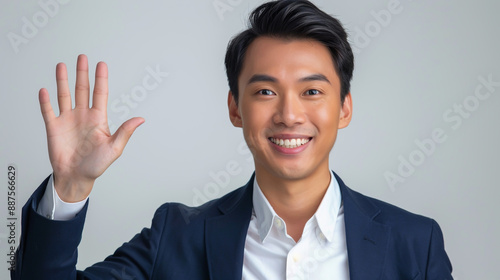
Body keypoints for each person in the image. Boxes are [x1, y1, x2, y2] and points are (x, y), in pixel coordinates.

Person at [12, 0, 453, 279]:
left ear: (344, 108)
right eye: (265, 91)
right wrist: (70, 187)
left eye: (312, 91)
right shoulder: (178, 235)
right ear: (235, 109)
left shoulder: (414, 243)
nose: (288, 114)